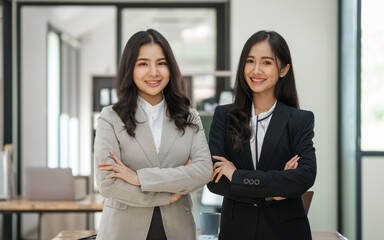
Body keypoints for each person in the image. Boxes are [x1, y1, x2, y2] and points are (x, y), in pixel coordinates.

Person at [94, 29, 212, 240]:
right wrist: (168, 195)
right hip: (123, 231)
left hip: (178, 230)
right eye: (143, 64)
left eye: (161, 63)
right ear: (130, 69)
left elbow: (203, 171)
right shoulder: (110, 118)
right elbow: (108, 183)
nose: (154, 72)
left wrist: (139, 178)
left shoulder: (189, 116)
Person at [207, 30, 316, 240]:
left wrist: (237, 176)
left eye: (267, 62)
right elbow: (215, 181)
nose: (256, 70)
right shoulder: (224, 116)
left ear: (284, 69)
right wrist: (275, 189)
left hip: (286, 232)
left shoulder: (299, 120)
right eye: (250, 61)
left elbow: (304, 177)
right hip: (236, 231)